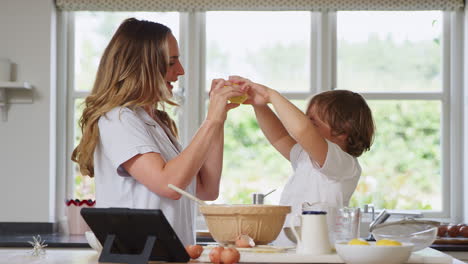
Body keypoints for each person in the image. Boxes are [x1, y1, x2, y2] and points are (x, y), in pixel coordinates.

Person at [71, 18, 244, 246]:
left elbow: (206, 189)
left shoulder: (156, 123)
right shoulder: (118, 118)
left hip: (172, 255)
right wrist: (211, 120)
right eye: (171, 63)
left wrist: (218, 120)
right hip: (140, 257)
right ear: (142, 66)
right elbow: (168, 185)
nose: (180, 71)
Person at [229, 76, 375, 246]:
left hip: (318, 254)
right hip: (288, 249)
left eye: (312, 121)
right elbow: (280, 137)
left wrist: (271, 95)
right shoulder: (306, 157)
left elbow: (302, 130)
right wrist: (259, 105)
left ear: (342, 131)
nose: (305, 122)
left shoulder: (342, 163)